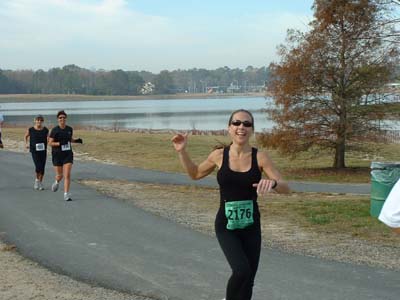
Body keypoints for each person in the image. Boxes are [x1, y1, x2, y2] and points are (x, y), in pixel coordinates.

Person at [171, 109, 290, 300]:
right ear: (229, 128)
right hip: (226, 226)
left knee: (249, 278)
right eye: (236, 123)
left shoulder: (260, 157)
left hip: (251, 226)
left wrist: (273, 183)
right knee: (241, 270)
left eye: (246, 124)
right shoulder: (218, 155)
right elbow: (194, 174)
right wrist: (182, 151)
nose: (241, 127)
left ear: (252, 130)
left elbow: (286, 188)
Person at [48, 110, 82, 201]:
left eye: (63, 117)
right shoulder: (54, 130)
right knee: (60, 175)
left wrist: (76, 140)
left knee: (67, 175)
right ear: (57, 119)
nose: (62, 119)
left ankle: (66, 194)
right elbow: (50, 143)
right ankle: (56, 182)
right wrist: (59, 143)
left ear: (66, 118)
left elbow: (69, 139)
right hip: (57, 155)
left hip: (67, 154)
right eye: (60, 118)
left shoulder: (69, 129)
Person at [24, 115, 49, 190]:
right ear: (35, 121)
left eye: (41, 120)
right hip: (34, 151)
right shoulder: (31, 129)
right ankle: (36, 180)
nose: (39, 122)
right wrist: (26, 144)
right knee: (38, 166)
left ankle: (40, 182)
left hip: (43, 151)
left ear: (42, 122)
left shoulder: (45, 130)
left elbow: (48, 138)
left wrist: (48, 141)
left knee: (42, 167)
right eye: (37, 120)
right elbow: (25, 136)